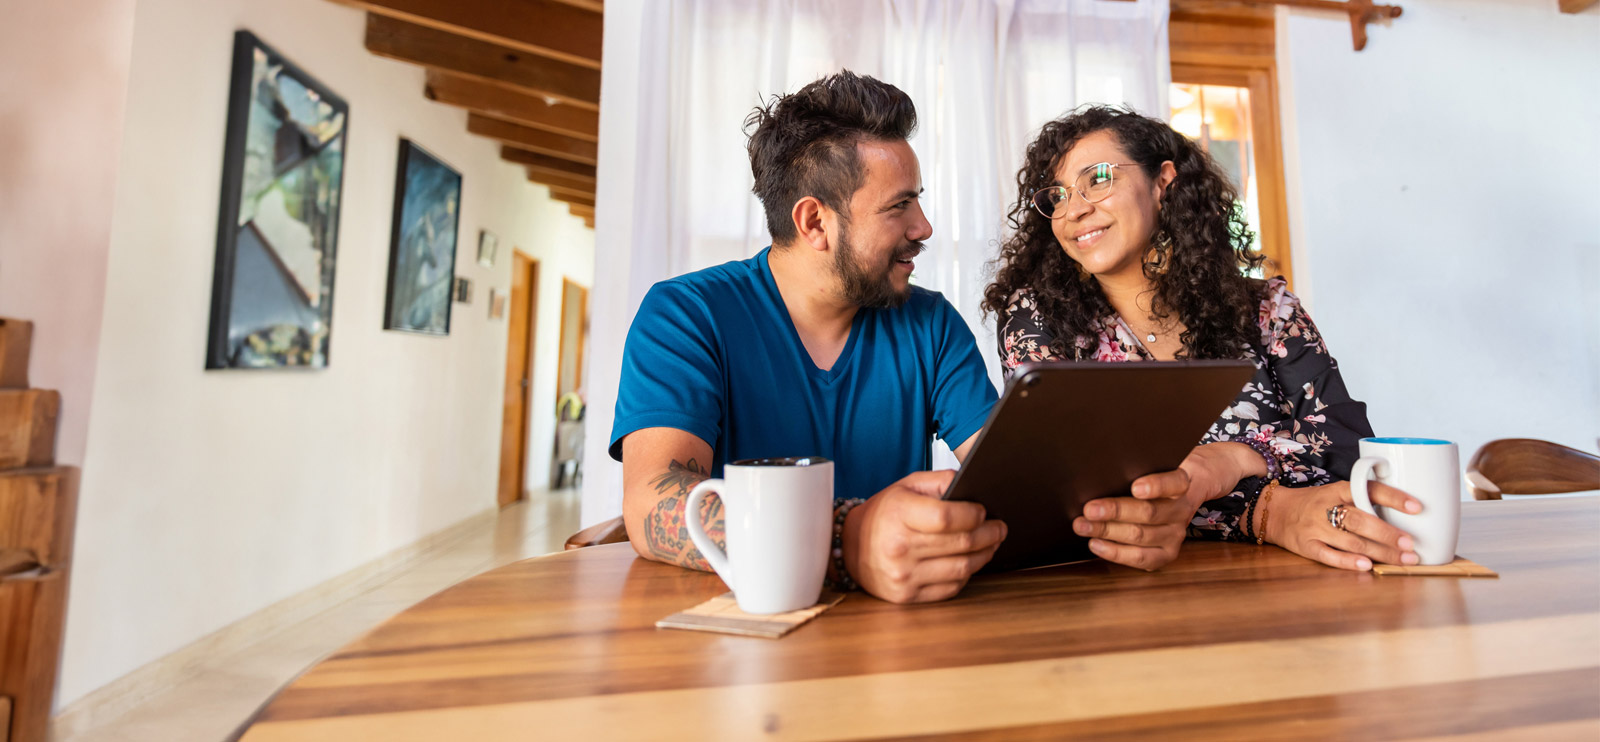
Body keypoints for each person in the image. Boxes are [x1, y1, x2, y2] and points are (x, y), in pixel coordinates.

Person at [609, 71, 1008, 604]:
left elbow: (1012, 481)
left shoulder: (931, 324)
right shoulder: (686, 315)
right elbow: (653, 504)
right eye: (899, 206)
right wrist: (849, 539)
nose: (924, 227)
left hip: (900, 643)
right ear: (815, 222)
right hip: (735, 642)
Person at [984, 105, 1424, 572]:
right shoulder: (1038, 318)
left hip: (1297, 584)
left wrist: (1227, 461)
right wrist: (1266, 513)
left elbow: (1345, 448)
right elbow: (1080, 499)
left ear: (1163, 182)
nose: (1073, 209)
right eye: (1056, 196)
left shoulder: (1266, 309)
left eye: (1097, 178)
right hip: (1123, 593)